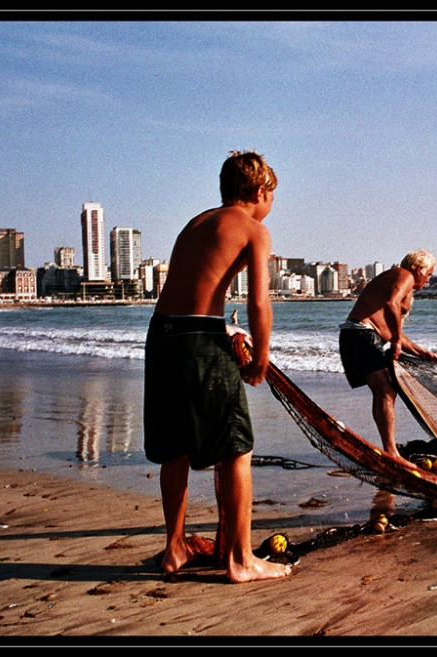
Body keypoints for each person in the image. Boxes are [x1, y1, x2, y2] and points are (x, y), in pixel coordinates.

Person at [144, 150, 291, 584]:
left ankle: (174, 550)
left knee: (175, 446)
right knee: (235, 446)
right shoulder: (253, 228)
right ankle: (241, 560)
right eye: (272, 197)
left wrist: (218, 331)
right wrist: (261, 355)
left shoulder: (197, 222)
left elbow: (196, 289)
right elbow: (259, 301)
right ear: (261, 192)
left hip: (163, 333)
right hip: (195, 339)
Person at [339, 250, 437, 463]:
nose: (429, 279)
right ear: (419, 269)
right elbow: (391, 303)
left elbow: (388, 330)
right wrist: (395, 340)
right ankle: (391, 453)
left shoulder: (403, 284)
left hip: (357, 335)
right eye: (429, 274)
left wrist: (419, 351)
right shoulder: (404, 274)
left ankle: (389, 449)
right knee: (385, 390)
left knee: (385, 391)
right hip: (360, 334)